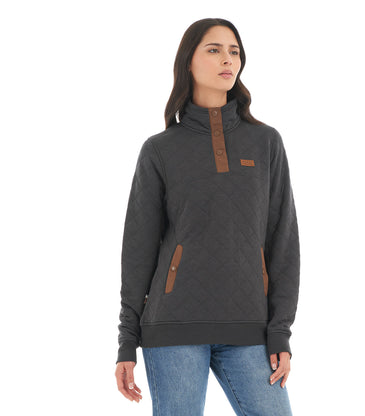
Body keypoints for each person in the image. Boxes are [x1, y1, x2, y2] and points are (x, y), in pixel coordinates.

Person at [114, 17, 300, 416]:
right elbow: (138, 249)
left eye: (234, 51)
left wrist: (280, 331)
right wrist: (127, 340)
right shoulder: (160, 150)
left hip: (249, 325)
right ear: (189, 61)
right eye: (214, 50)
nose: (227, 59)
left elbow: (283, 240)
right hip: (173, 327)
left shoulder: (266, 142)